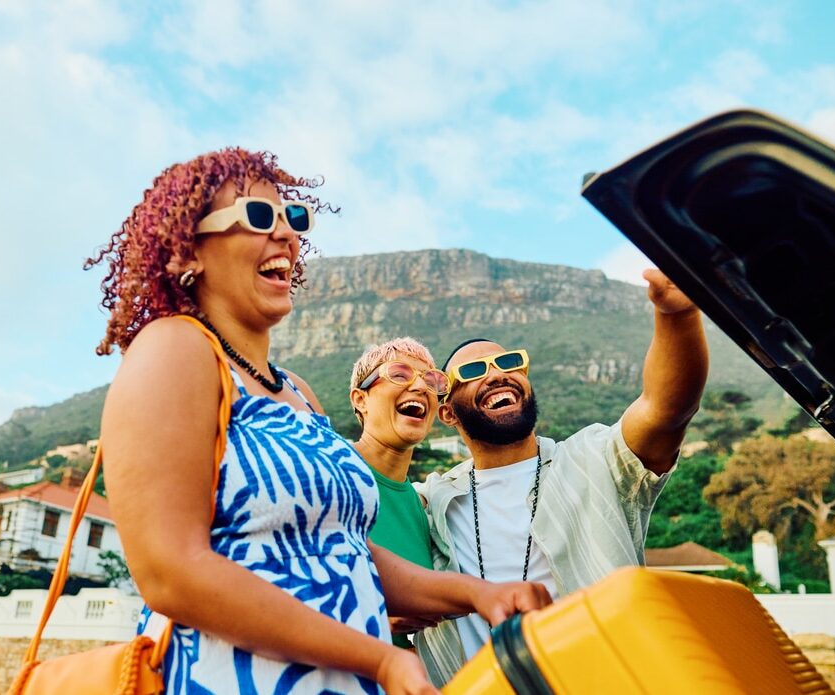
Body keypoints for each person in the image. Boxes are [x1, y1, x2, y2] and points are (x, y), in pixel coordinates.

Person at [91, 148, 551, 695]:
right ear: (188, 249)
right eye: (259, 218)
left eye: (293, 219)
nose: (285, 234)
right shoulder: (175, 349)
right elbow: (171, 573)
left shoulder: (298, 394)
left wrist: (476, 595)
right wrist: (378, 658)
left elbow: (346, 549)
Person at [414, 270, 709, 682]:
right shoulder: (432, 500)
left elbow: (666, 409)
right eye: (475, 370)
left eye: (509, 362)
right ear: (446, 412)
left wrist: (676, 315)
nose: (497, 374)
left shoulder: (595, 459)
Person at [348, 338, 449, 650]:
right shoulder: (326, 473)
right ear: (360, 399)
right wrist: (372, 620)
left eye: (431, 381)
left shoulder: (423, 508)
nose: (420, 387)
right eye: (400, 375)